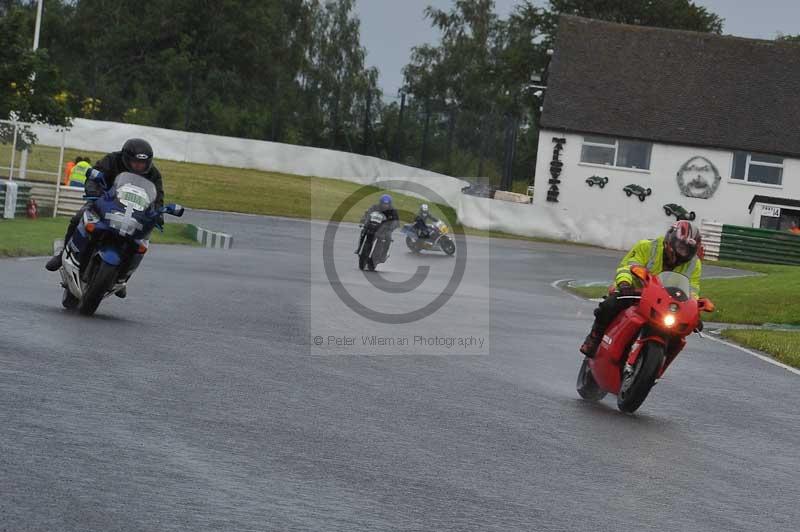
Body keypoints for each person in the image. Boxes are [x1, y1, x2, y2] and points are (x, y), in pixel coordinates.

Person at [45, 139, 165, 298]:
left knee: (141, 242)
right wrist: (93, 191)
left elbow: (158, 197)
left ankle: (121, 277)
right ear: (126, 158)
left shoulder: (153, 174)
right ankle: (62, 256)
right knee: (78, 217)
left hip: (134, 214)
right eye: (135, 162)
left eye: (142, 163)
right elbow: (95, 175)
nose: (138, 166)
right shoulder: (112, 160)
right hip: (105, 203)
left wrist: (159, 214)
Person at [579, 220, 703, 357]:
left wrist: (694, 311)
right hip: (634, 293)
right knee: (609, 305)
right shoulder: (647, 247)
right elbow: (627, 267)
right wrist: (625, 284)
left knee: (680, 333)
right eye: (681, 246)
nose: (683, 252)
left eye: (688, 250)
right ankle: (594, 338)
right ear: (671, 239)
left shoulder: (694, 264)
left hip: (666, 303)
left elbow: (692, 289)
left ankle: (660, 361)